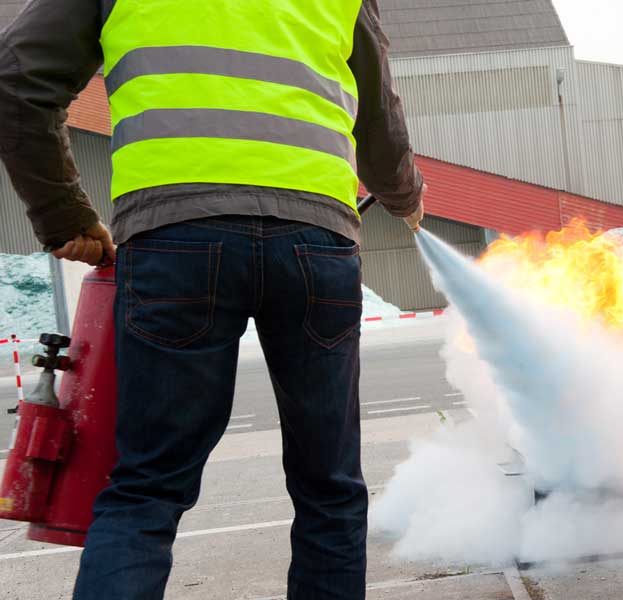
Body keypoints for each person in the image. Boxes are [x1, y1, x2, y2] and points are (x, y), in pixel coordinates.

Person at [0, 1, 425, 597]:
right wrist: (404, 196)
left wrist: (63, 214)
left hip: (175, 238)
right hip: (315, 243)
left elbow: (16, 78)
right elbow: (379, 117)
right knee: (329, 486)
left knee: (147, 488)